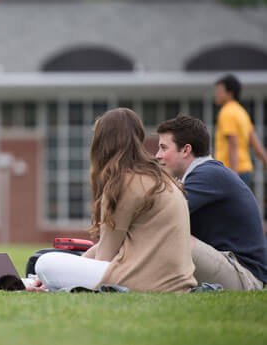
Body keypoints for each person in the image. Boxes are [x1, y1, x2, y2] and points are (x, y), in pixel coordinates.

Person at [34, 108, 196, 293]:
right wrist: (77, 265)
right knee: (59, 264)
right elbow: (109, 244)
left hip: (144, 282)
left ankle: (51, 283)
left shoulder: (123, 183)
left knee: (45, 263)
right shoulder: (159, 176)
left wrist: (61, 274)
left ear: (101, 143)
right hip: (177, 283)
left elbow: (105, 255)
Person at [156, 114, 266, 290]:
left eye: (163, 148)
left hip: (246, 278)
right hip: (230, 266)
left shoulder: (207, 175)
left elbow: (160, 216)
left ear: (185, 150)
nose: (157, 156)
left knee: (171, 235)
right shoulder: (202, 175)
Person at [214, 74, 267, 187]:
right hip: (245, 169)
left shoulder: (227, 113)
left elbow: (233, 144)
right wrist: (265, 160)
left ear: (230, 93)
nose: (216, 94)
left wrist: (234, 174)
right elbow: (255, 142)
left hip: (231, 171)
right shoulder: (242, 112)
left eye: (219, 90)